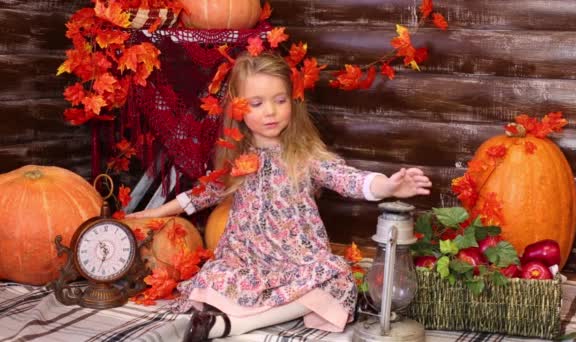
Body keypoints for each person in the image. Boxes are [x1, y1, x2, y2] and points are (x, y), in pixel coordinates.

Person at [126, 52, 432, 340]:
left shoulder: (304, 154)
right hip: (247, 258)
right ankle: (230, 320)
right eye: (256, 103)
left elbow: (346, 178)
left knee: (338, 279)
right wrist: (158, 212)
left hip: (297, 259)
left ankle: (228, 326)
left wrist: (388, 186)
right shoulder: (236, 156)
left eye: (280, 100)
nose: (270, 112)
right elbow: (206, 192)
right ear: (238, 108)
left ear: (293, 101)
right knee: (215, 281)